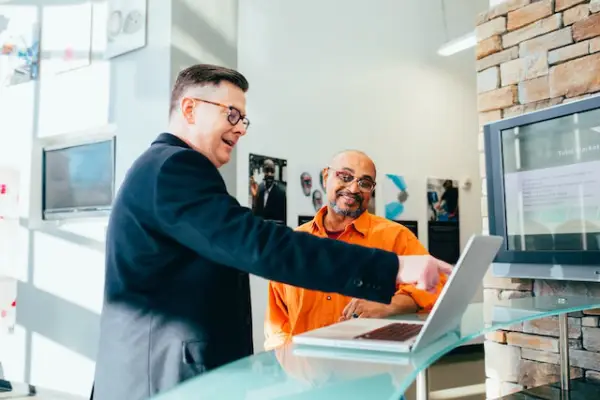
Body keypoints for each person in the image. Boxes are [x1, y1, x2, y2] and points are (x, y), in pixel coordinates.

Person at [91, 64, 452, 400]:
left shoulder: (160, 168)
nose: (239, 128)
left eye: (243, 119)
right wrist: (394, 268)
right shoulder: (175, 167)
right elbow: (260, 245)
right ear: (189, 110)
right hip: (165, 378)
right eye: (230, 114)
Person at [264, 150, 447, 350]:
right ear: (326, 177)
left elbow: (437, 286)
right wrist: (288, 366)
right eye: (345, 176)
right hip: (306, 373)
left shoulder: (395, 236)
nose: (353, 188)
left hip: (371, 369)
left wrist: (389, 305)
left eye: (364, 183)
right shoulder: (294, 244)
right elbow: (277, 324)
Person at [250, 159, 287, 224]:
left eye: (272, 171)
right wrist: (254, 198)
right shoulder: (259, 189)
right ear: (263, 171)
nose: (269, 174)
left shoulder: (281, 193)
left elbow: (283, 220)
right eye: (267, 170)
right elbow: (255, 214)